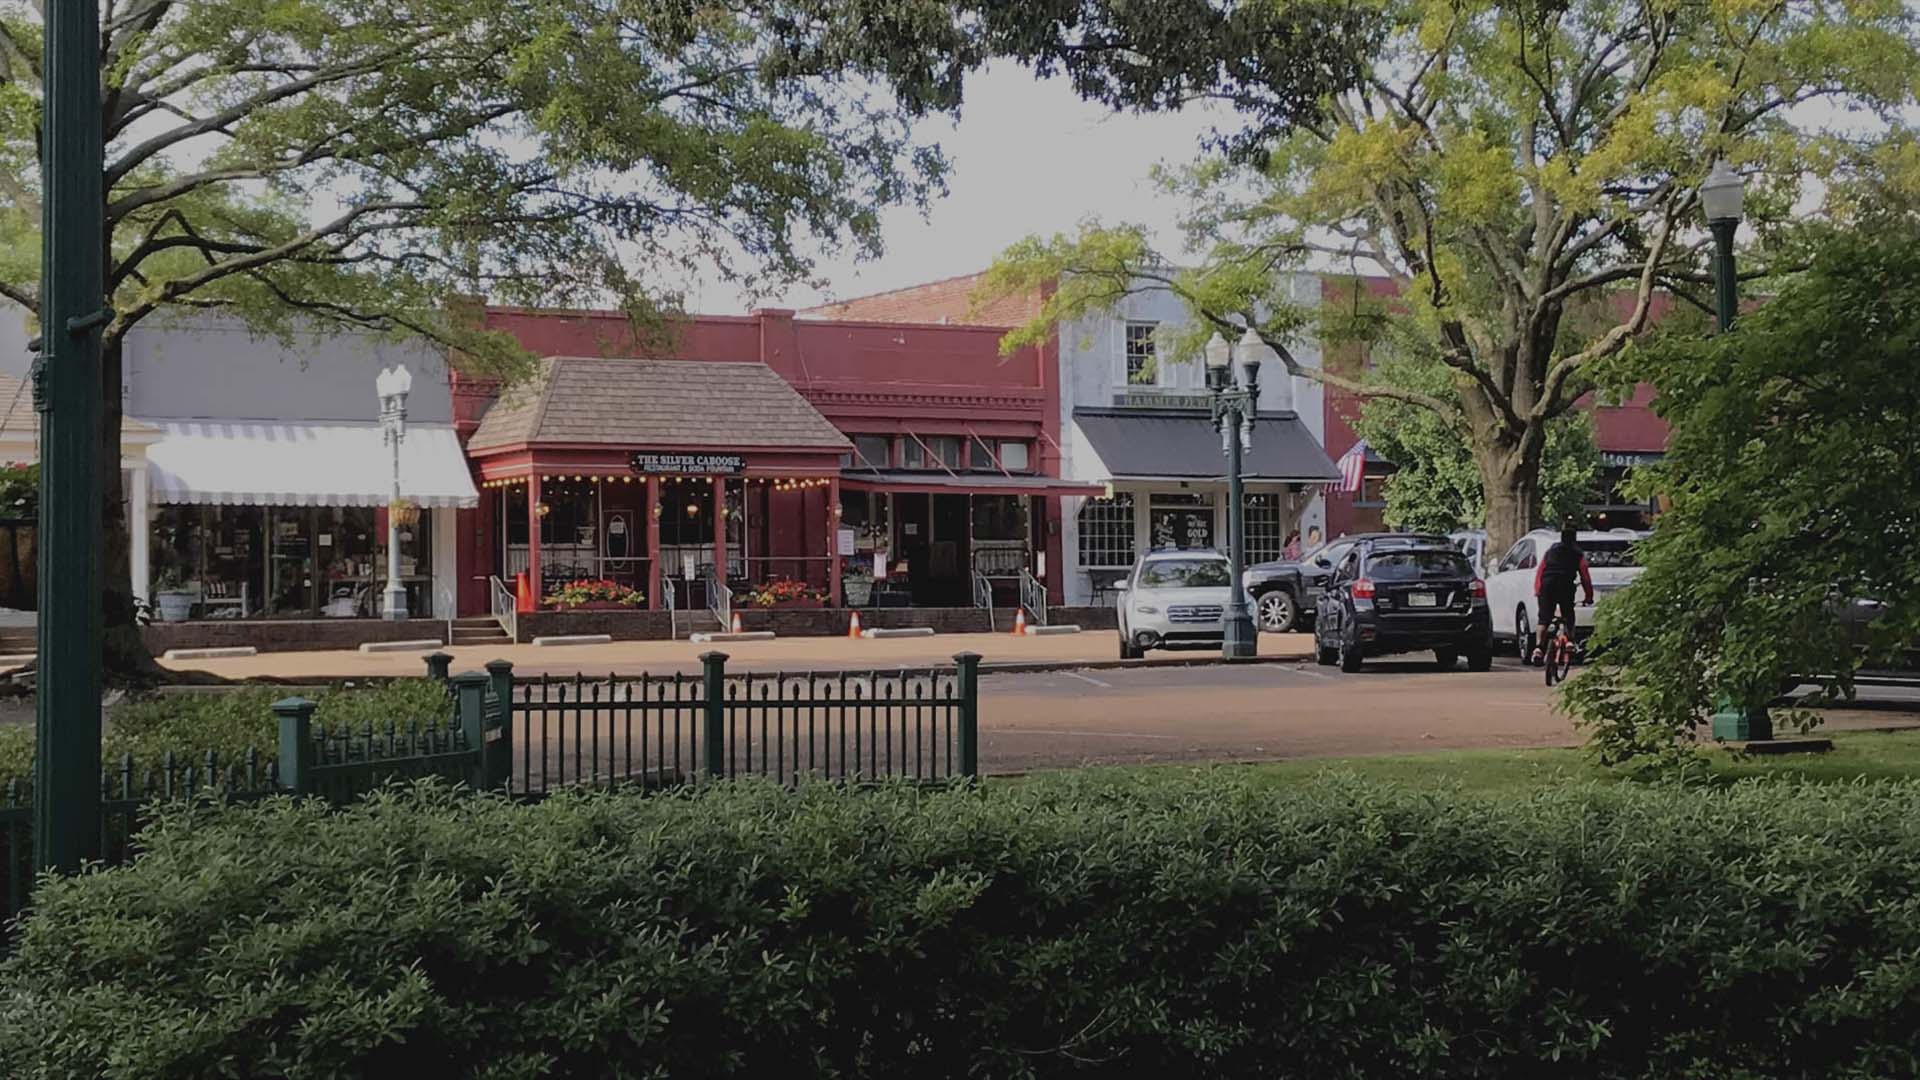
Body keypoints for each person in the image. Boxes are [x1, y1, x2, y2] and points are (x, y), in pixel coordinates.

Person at [1532, 522, 1595, 665]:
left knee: (1544, 619)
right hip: (1565, 585)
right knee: (1568, 615)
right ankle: (1570, 642)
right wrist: (1588, 596)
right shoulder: (1577, 554)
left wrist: (1538, 590)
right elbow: (1585, 577)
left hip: (1547, 586)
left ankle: (1538, 649)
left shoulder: (1550, 552)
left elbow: (1540, 571)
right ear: (1574, 539)